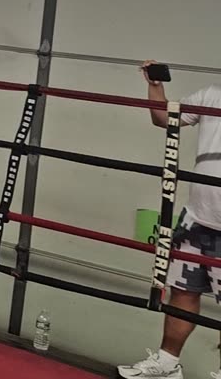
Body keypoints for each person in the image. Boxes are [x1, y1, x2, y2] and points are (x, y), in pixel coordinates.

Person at [117, 61, 221, 379]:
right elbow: (164, 118)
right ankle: (167, 362)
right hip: (198, 217)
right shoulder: (212, 95)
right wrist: (155, 86)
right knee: (182, 292)